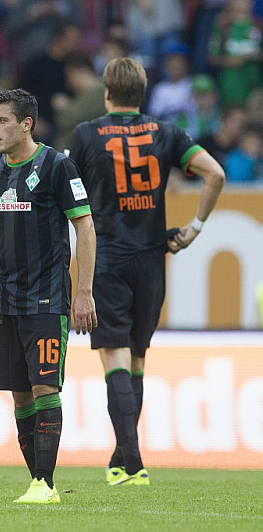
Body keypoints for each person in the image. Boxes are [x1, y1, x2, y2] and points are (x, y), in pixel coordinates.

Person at [66, 57, 225, 486]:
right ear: (144, 92)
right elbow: (215, 174)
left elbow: (60, 192)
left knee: (114, 358)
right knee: (136, 360)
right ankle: (123, 459)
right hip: (153, 258)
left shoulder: (86, 135)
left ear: (106, 92)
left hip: (107, 258)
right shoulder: (166, 132)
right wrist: (195, 227)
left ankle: (132, 461)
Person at [0, 88, 97, 504]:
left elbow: (85, 227)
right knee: (20, 394)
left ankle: (45, 483)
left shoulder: (58, 166)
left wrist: (83, 293)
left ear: (27, 124)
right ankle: (37, 482)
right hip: (7, 301)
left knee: (45, 388)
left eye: (2, 120)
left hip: (48, 298)